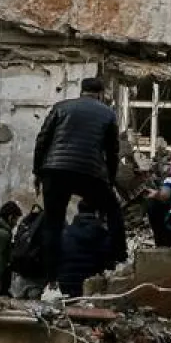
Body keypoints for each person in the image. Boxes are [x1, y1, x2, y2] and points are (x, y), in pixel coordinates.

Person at [32, 78, 127, 290]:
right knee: (113, 211)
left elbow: (42, 139)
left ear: (82, 91)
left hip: (55, 170)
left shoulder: (60, 107)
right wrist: (110, 181)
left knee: (53, 222)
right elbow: (112, 152)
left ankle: (51, 279)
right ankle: (120, 260)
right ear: (101, 94)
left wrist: (37, 172)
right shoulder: (108, 114)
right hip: (89, 171)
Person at [58, 202, 114, 297]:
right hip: (91, 285)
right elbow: (110, 262)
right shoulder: (102, 234)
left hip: (66, 285)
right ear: (95, 213)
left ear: (78, 211)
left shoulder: (65, 233)